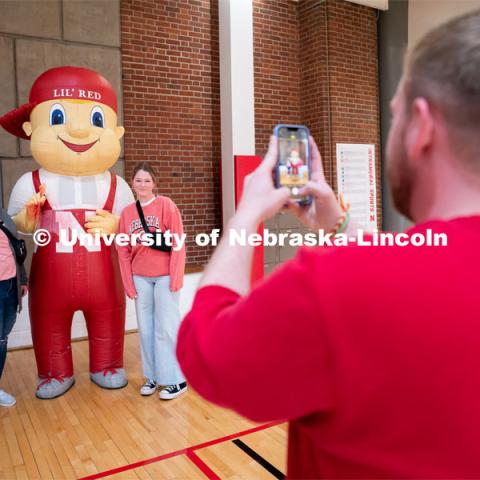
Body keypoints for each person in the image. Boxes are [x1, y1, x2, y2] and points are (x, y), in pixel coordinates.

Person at [177, 10, 480, 478]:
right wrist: (337, 227)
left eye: (395, 114)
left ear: (421, 127)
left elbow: (207, 351)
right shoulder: (360, 276)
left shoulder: (331, 284)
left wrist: (246, 214)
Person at [117, 162, 187, 400]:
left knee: (166, 328)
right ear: (132, 183)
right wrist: (128, 281)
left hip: (165, 275)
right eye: (138, 180)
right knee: (146, 329)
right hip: (140, 277)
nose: (143, 185)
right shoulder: (127, 213)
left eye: (147, 180)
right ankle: (154, 376)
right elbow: (123, 250)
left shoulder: (166, 205)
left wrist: (176, 276)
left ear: (154, 183)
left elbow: (178, 242)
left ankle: (176, 379)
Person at [0, 208, 27, 407]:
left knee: (2, 337)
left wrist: (23, 280)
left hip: (10, 285)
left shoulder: (3, 215)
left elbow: (17, 249)